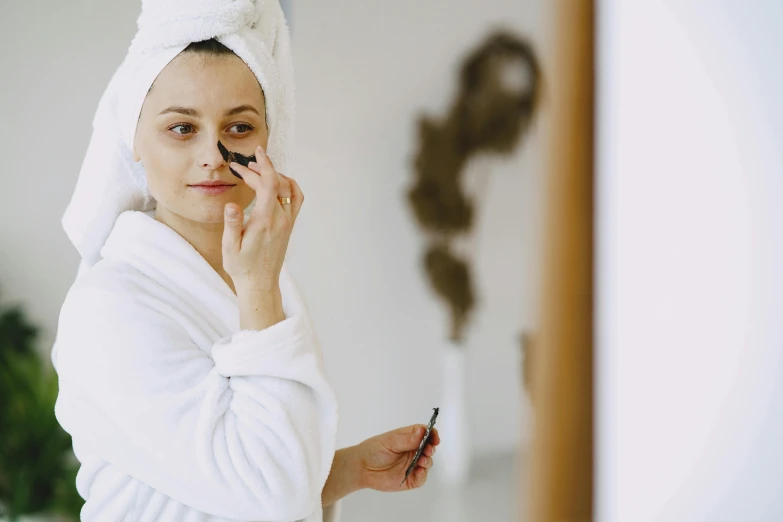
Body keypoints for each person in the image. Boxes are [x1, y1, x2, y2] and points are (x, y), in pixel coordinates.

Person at [51, 2, 438, 521]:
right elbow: (267, 496)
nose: (213, 154)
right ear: (134, 142)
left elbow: (233, 475)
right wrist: (259, 289)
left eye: (238, 128)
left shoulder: (255, 275)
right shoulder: (107, 310)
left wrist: (349, 470)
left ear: (268, 140)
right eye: (182, 128)